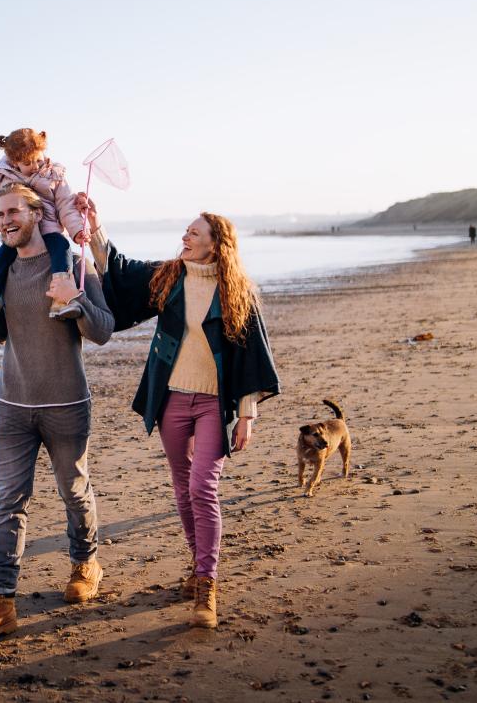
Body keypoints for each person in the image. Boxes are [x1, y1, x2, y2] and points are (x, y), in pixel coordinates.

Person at [79, 194, 279, 629]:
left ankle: (207, 583)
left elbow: (250, 355)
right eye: (186, 231)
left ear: (216, 244)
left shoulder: (236, 292)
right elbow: (121, 268)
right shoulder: (169, 277)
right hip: (171, 399)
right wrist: (94, 225)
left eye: (194, 233)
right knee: (183, 484)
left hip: (211, 404)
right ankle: (196, 563)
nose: (185, 237)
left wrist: (246, 415)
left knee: (203, 487)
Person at [0, 183, 114, 642]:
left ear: (35, 213)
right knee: (10, 501)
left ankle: (86, 564)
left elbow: (102, 330)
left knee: (73, 490)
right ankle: (0, 601)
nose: (3, 219)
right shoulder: (3, 269)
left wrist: (76, 298)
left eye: (13, 211)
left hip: (66, 403)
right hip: (12, 404)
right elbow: (5, 334)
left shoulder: (72, 264)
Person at [0, 128, 89, 340]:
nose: (36, 166)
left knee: (61, 250)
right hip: (18, 236)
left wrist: (78, 230)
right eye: (29, 163)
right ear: (14, 162)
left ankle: (61, 301)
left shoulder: (53, 174)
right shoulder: (3, 178)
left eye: (38, 160)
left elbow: (66, 205)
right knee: (0, 260)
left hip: (50, 229)